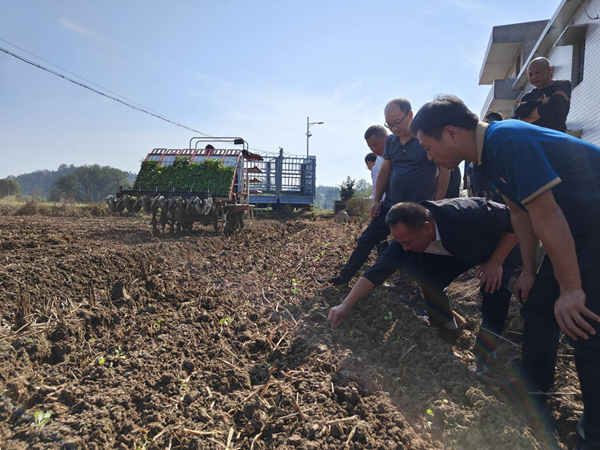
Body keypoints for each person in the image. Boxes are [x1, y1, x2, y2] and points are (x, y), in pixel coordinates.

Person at [410, 95, 600, 450]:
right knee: (537, 302)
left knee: (586, 323)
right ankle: (535, 386)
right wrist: (528, 271)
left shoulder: (508, 140)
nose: (429, 157)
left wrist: (571, 288)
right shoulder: (484, 159)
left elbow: (547, 215)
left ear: (450, 133)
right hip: (576, 228)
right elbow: (520, 215)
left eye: (428, 147)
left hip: (593, 224)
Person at [327, 199, 518, 347]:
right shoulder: (404, 242)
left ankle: (486, 354)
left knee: (493, 288)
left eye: (408, 243)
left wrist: (495, 261)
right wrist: (345, 305)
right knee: (430, 282)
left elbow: (515, 219)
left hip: (499, 246)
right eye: (400, 242)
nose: (405, 249)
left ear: (427, 227)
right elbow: (377, 271)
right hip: (458, 250)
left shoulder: (469, 213)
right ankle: (448, 329)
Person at [324, 99, 450, 286]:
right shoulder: (391, 141)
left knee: (411, 247)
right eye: (389, 124)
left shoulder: (424, 138)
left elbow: (444, 171)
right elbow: (385, 172)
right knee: (367, 239)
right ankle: (343, 277)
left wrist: (437, 203)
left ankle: (408, 285)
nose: (393, 128)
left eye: (397, 122)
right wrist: (376, 199)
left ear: (410, 115)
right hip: (391, 204)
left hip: (417, 208)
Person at [512, 57, 571, 132]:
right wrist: (543, 104)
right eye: (530, 75)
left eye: (538, 72)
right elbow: (517, 121)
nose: (534, 77)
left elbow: (553, 107)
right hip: (532, 139)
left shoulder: (562, 85)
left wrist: (530, 110)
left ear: (549, 70)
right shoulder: (527, 96)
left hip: (555, 137)